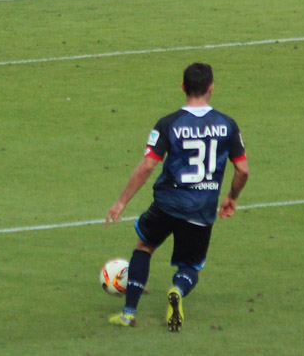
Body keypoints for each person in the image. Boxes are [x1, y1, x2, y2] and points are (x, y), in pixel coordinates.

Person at [105, 63, 249, 331]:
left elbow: (148, 165)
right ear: (210, 88)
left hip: (167, 204)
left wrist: (122, 201)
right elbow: (243, 169)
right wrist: (231, 196)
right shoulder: (227, 125)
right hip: (202, 209)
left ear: (183, 87)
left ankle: (128, 313)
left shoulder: (169, 123)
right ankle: (178, 290)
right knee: (190, 265)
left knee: (144, 247)